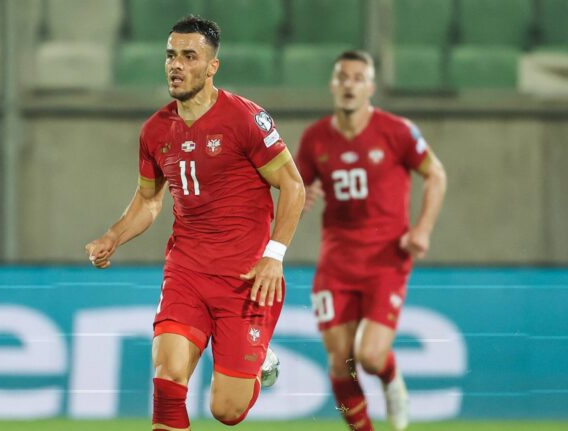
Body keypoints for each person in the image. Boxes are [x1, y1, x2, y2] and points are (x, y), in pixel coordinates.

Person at [85, 15, 305, 430]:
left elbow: (293, 186)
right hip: (186, 270)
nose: (177, 65)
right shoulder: (155, 131)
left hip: (246, 277)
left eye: (189, 56)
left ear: (211, 66)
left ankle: (260, 364)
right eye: (171, 55)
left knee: (227, 411)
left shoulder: (245, 119)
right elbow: (150, 201)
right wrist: (114, 235)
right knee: (168, 376)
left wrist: (274, 256)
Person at [294, 50, 447, 431]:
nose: (349, 84)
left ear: (371, 87)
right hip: (337, 262)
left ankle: (392, 381)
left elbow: (436, 174)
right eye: (342, 77)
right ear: (332, 85)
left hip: (386, 259)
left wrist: (423, 228)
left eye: (358, 77)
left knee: (372, 357)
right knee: (340, 363)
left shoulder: (396, 131)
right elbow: (292, 188)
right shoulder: (315, 139)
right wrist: (300, 197)